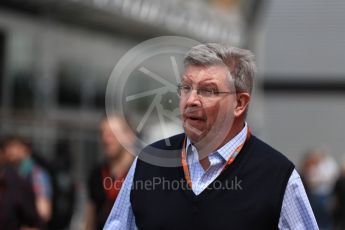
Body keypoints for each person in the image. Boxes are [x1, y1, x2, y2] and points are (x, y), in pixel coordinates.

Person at [104, 43, 318, 229]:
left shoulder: (278, 177)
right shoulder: (148, 162)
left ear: (239, 103)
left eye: (208, 91)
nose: (191, 101)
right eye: (186, 88)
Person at [86, 115, 135, 230]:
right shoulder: (97, 174)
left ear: (129, 136)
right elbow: (90, 220)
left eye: (113, 134)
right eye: (103, 133)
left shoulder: (141, 174)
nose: (106, 139)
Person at [2, 136, 53, 226]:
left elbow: (44, 213)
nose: (11, 152)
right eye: (8, 148)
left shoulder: (37, 175)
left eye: (16, 147)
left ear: (26, 150)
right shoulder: (6, 173)